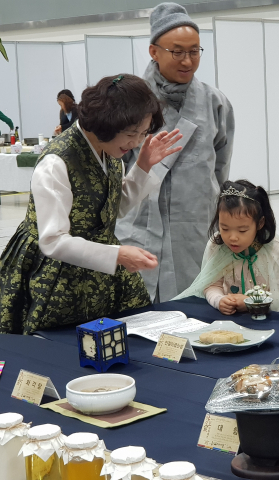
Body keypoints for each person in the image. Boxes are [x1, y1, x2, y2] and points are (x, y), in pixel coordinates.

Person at [0, 74, 183, 335]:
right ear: (106, 123)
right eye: (132, 133)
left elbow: (113, 207)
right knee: (59, 345)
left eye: (142, 133)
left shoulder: (109, 151)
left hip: (98, 262)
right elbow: (53, 240)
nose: (136, 143)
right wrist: (118, 255)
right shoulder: (57, 161)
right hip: (54, 269)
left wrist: (143, 165)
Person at [115, 2, 235, 303]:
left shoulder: (215, 103)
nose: (187, 61)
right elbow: (115, 168)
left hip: (194, 226)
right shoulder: (129, 101)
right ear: (154, 51)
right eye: (177, 51)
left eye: (194, 51)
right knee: (140, 314)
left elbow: (220, 170)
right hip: (140, 225)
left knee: (196, 306)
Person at [174, 180, 279, 316]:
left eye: (242, 230)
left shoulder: (277, 250)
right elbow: (211, 285)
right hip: (229, 317)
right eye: (225, 228)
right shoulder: (217, 245)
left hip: (266, 318)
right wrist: (219, 300)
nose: (232, 237)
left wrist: (252, 301)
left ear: (260, 223)